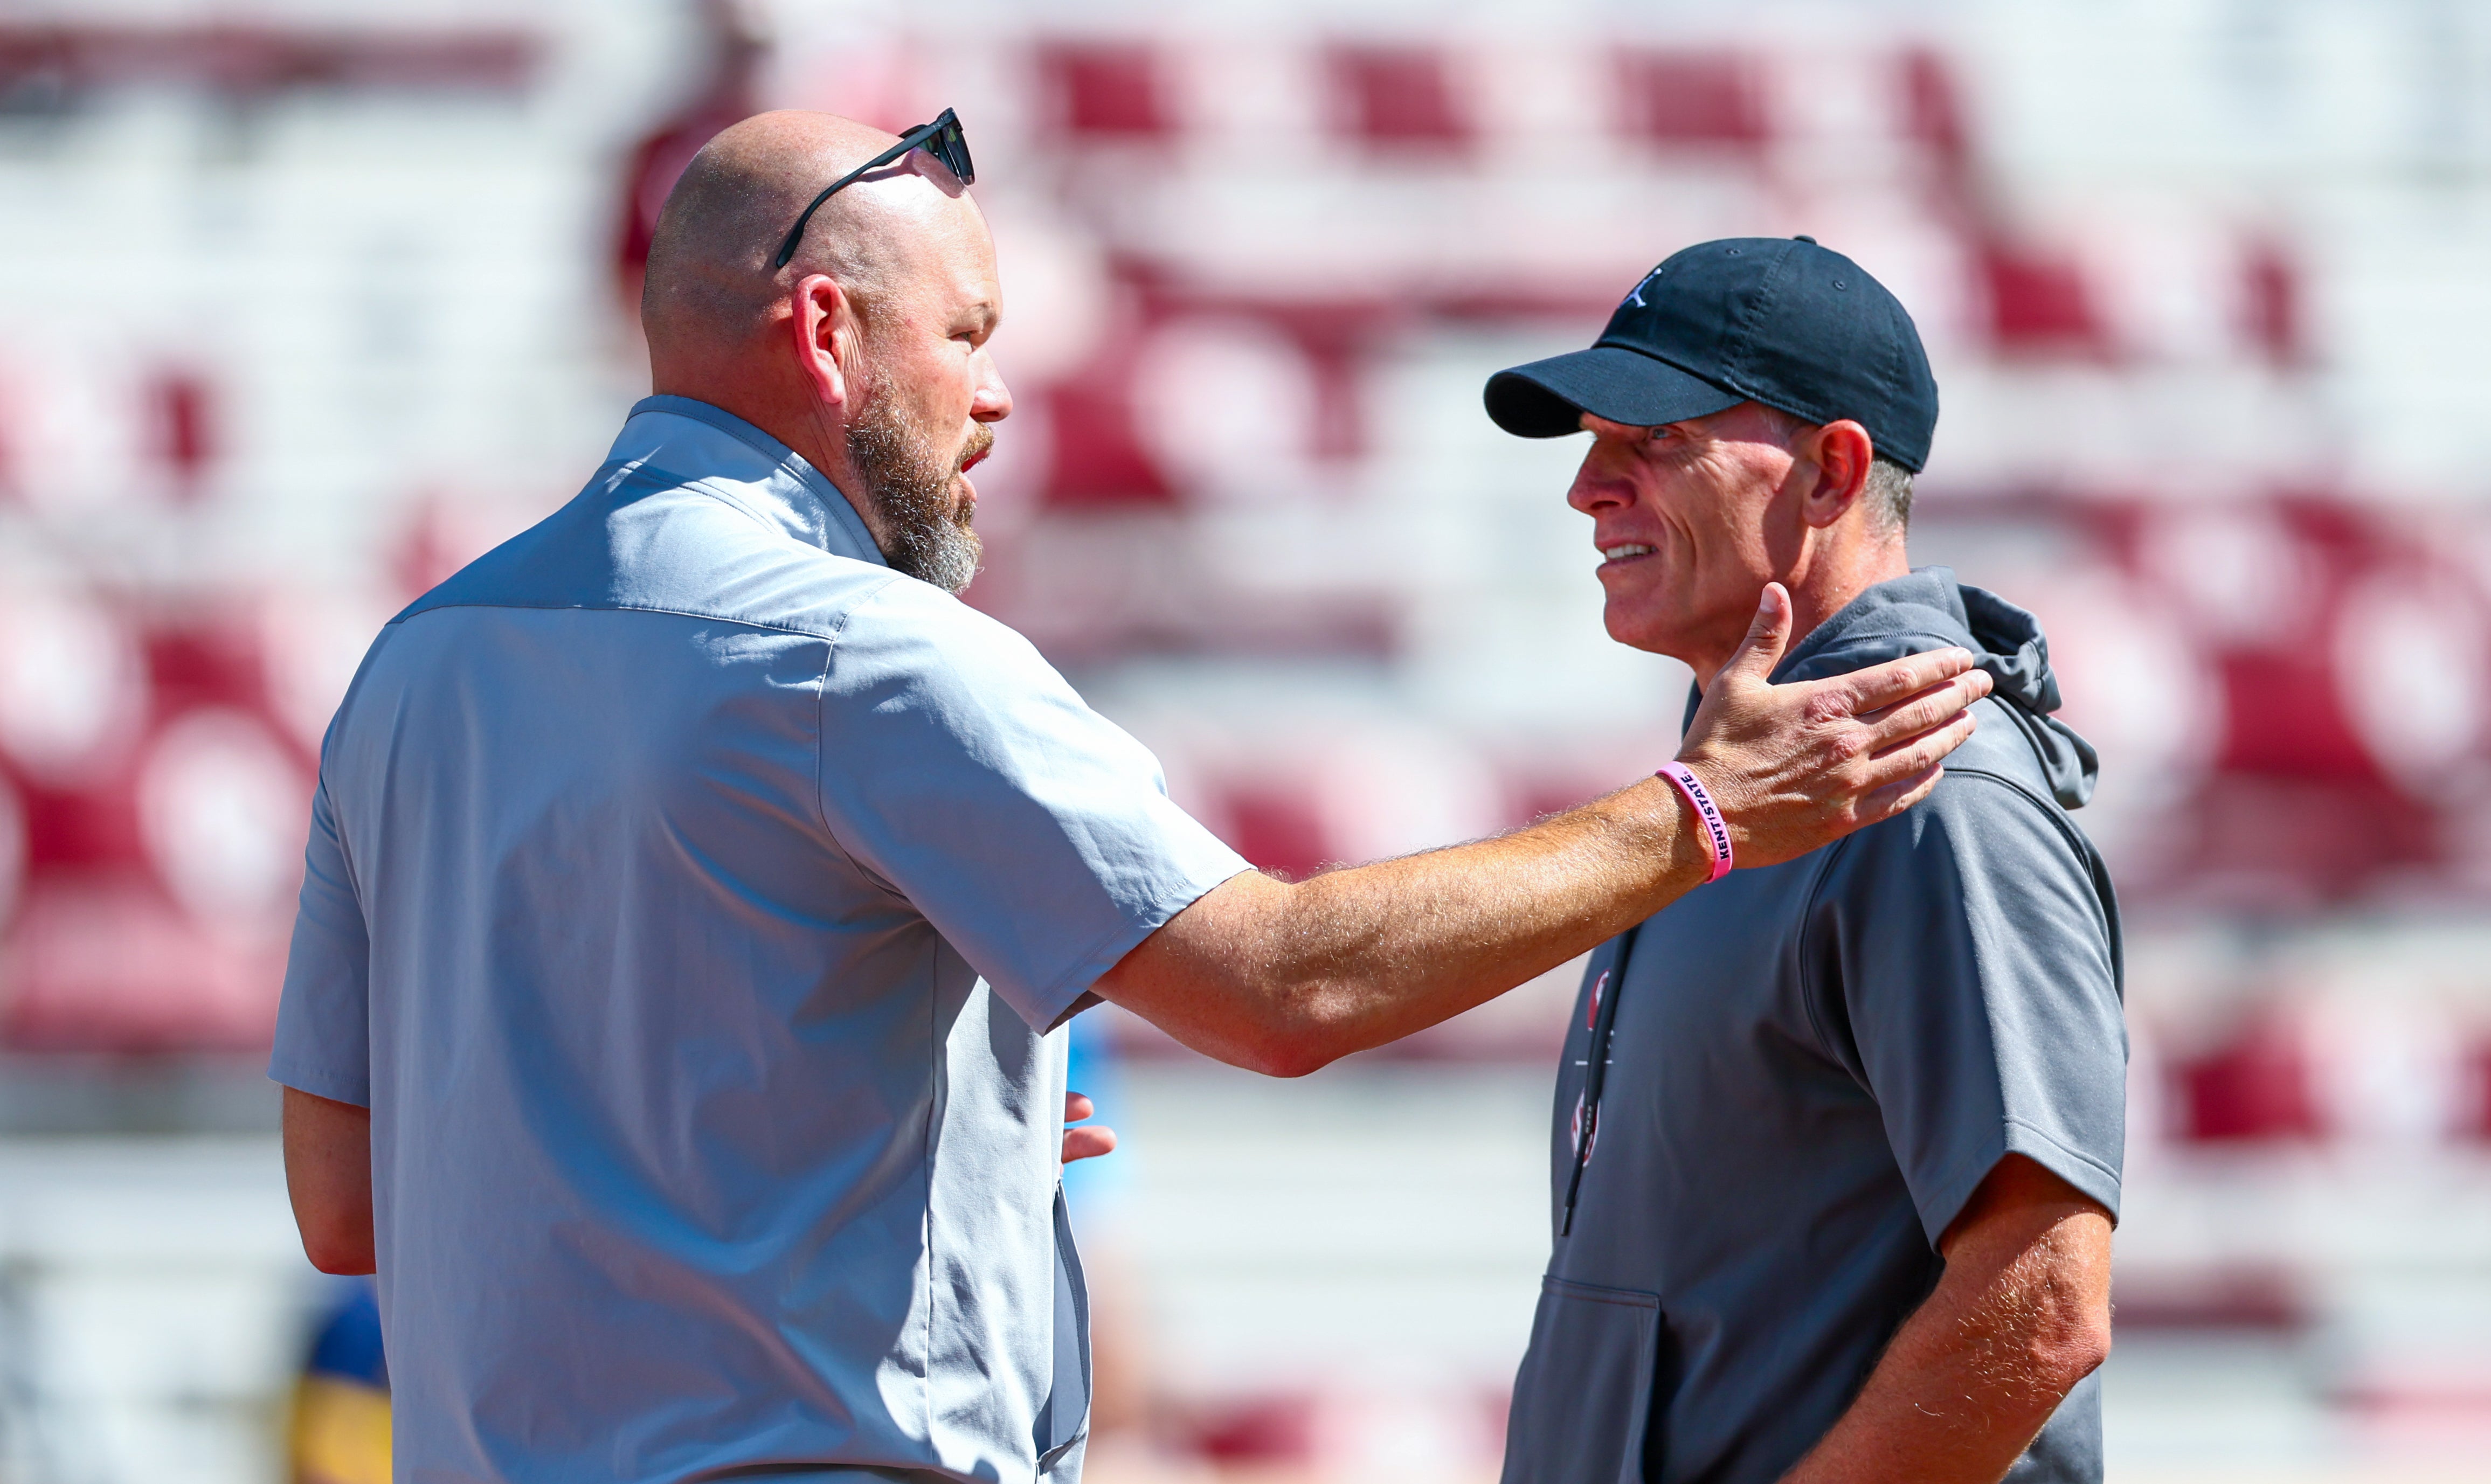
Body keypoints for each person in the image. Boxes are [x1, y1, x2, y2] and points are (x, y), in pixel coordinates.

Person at [273, 115, 1995, 1484]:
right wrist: (1697, 814)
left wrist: (872, 1135)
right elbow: (1280, 985)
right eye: (966, 336)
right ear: (825, 333)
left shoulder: (413, 665)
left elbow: (349, 1207)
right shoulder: (865, 655)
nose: (999, 395)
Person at [1484, 237, 2125, 1484]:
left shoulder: (1933, 795)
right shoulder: (1760, 783)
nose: (1586, 489)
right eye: (1591, 441)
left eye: (1655, 438)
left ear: (1832, 472)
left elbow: (2039, 1302)